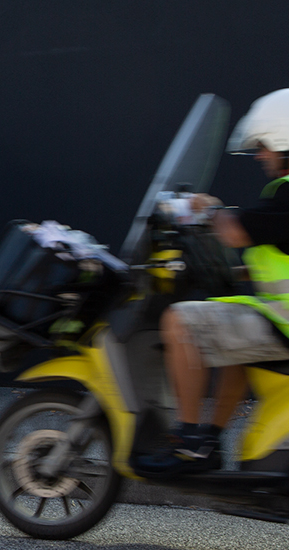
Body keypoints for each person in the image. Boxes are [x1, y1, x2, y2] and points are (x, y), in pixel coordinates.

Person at [135, 89, 289, 477]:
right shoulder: (281, 197)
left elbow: (237, 232)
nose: (259, 155)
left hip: (284, 322)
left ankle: (188, 443)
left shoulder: (287, 194)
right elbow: (268, 246)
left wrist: (205, 208)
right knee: (233, 332)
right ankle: (209, 440)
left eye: (264, 147)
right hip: (278, 316)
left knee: (180, 321)